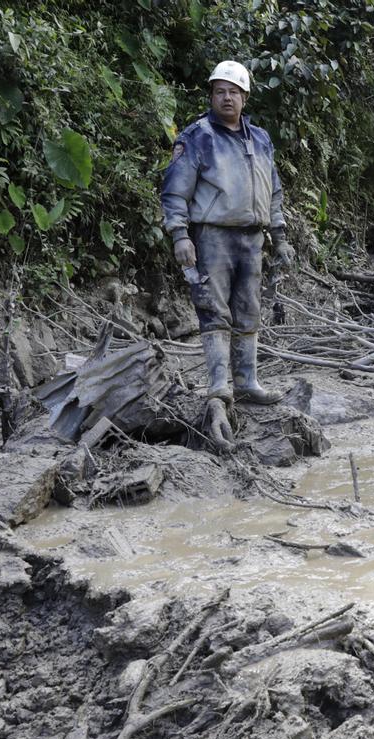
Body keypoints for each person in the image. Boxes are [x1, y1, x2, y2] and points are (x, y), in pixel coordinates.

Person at [161, 60, 296, 448]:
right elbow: (174, 191)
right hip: (211, 236)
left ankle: (248, 382)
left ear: (245, 97)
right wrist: (180, 235)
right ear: (211, 95)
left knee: (248, 310)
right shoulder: (197, 136)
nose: (226, 97)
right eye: (220, 90)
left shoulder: (261, 139)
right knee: (214, 309)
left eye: (233, 91)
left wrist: (280, 236)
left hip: (252, 238)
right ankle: (219, 386)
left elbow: (274, 192)